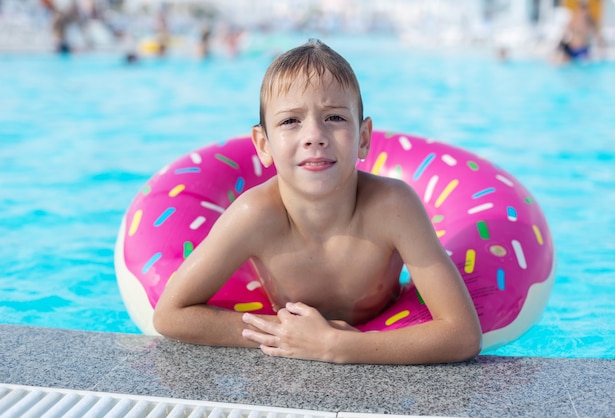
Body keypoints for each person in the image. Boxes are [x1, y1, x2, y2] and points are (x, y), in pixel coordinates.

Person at [153, 39, 482, 365]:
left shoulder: (393, 207)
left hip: (381, 325)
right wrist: (287, 334)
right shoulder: (255, 215)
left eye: (335, 118)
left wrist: (336, 347)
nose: (314, 135)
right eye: (290, 121)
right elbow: (171, 314)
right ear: (263, 144)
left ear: (363, 138)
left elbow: (462, 334)